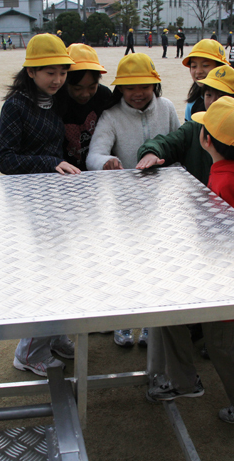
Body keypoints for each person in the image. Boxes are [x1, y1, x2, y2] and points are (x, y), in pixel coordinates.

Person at [145, 97, 234, 427]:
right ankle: (184, 381)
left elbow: (222, 242)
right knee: (172, 316)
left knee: (224, 349)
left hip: (225, 284)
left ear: (205, 139)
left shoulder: (224, 182)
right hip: (225, 277)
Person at [0, 34, 79, 377]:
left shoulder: (56, 99)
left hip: (54, 201)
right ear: (30, 71)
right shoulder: (16, 105)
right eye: (49, 72)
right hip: (30, 205)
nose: (57, 79)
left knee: (62, 270)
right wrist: (48, 162)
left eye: (61, 71)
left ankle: (54, 336)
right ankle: (27, 352)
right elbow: (5, 159)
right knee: (46, 276)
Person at [86, 52, 180, 348]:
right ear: (120, 90)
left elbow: (179, 144)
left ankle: (152, 324)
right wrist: (108, 161)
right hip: (124, 205)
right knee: (124, 264)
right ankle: (123, 322)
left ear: (155, 85)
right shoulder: (111, 115)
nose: (138, 93)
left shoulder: (167, 109)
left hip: (161, 203)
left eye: (145, 86)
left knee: (160, 264)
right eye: (130, 87)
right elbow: (93, 155)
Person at [136, 64, 234, 184]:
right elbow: (168, 143)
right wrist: (151, 152)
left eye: (221, 96)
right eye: (208, 95)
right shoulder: (194, 128)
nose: (212, 102)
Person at [56, 44, 112, 170]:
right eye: (77, 88)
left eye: (92, 87)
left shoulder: (104, 96)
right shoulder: (57, 99)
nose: (85, 94)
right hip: (64, 173)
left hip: (96, 171)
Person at [182, 39, 229, 119]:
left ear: (220, 67)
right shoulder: (192, 102)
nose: (198, 71)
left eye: (205, 65)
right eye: (193, 66)